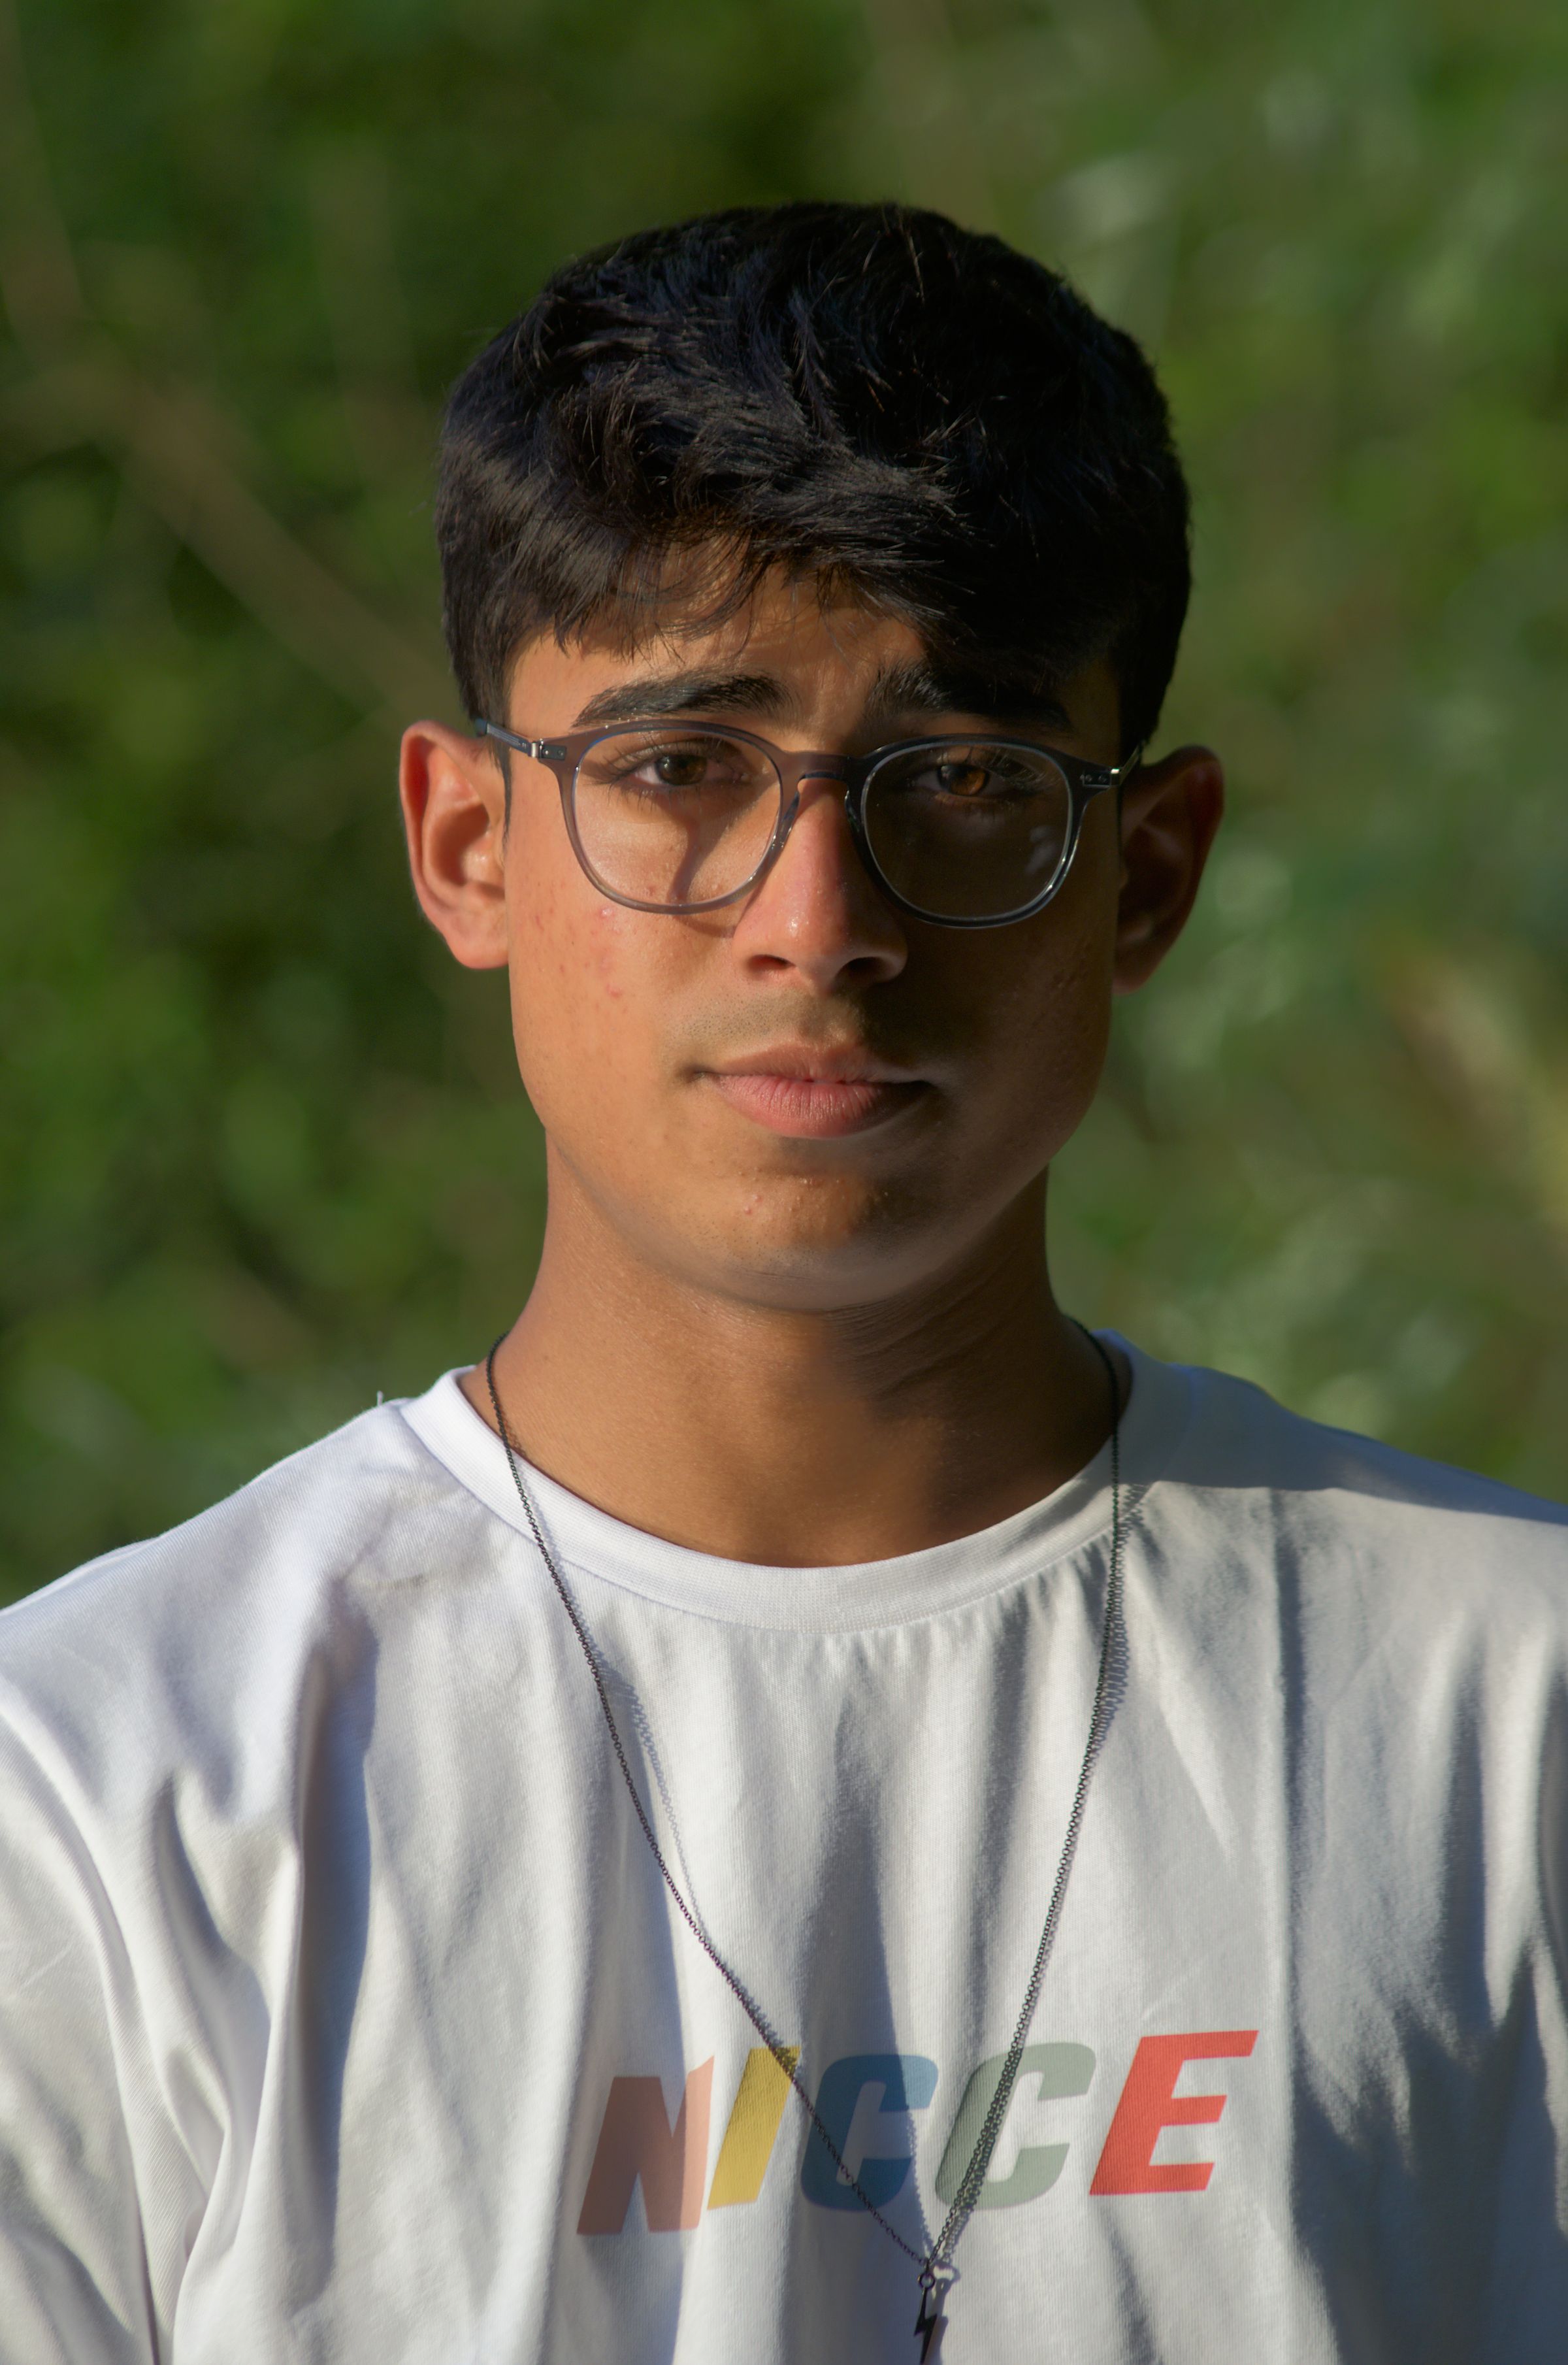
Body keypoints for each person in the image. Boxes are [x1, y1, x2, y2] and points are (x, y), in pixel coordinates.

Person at [0, 200, 1564, 2365]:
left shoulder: (1509, 1713)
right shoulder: (96, 1805)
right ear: (468, 845)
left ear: (1152, 868)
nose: (822, 918)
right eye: (674, 770)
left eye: (970, 782)